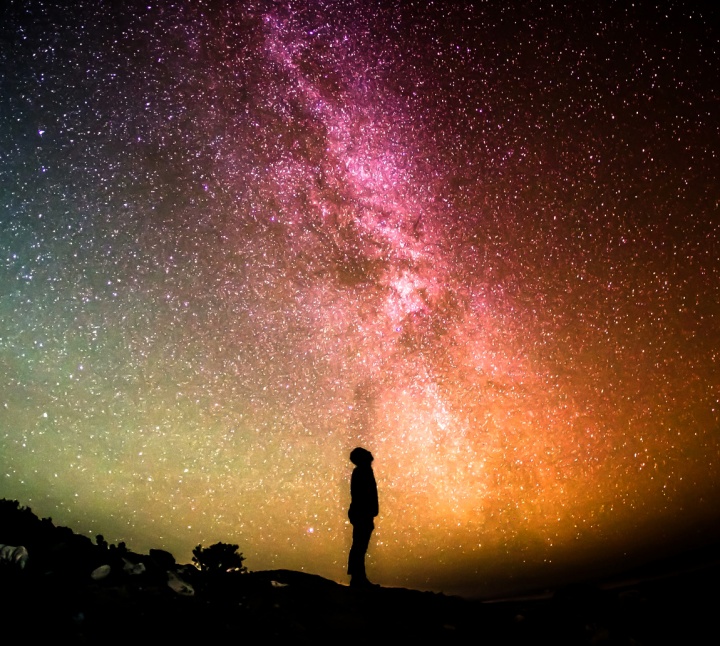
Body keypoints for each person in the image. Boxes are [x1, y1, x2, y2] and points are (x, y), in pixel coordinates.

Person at [347, 447, 379, 588]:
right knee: (360, 545)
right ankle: (358, 579)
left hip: (362, 512)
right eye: (367, 453)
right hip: (362, 513)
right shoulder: (362, 472)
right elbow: (362, 495)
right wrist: (368, 511)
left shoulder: (363, 471)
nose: (371, 453)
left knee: (360, 545)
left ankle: (358, 578)